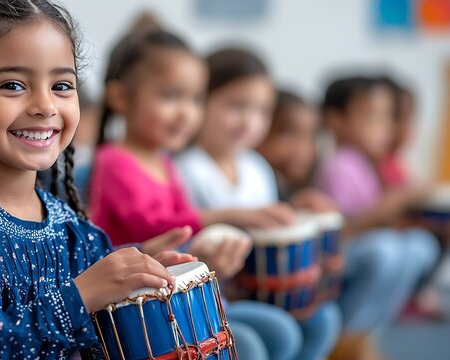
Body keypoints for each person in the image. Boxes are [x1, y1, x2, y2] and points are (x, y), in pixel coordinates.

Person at [0, 1, 196, 358]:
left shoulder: (73, 231)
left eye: (62, 85)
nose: (45, 106)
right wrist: (77, 299)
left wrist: (141, 270)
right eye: (13, 85)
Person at [176, 48, 341, 360]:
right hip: (215, 293)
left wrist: (295, 212)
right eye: (236, 106)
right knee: (274, 335)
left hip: (258, 287)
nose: (249, 121)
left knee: (323, 317)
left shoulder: (256, 166)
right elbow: (182, 233)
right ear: (201, 100)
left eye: (261, 110)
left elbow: (269, 230)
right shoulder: (186, 168)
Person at [316, 75, 439, 359]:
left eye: (386, 118)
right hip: (338, 258)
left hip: (368, 252)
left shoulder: (368, 164)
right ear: (336, 121)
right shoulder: (340, 164)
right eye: (372, 117)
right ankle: (347, 336)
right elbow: (346, 230)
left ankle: (368, 331)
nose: (384, 129)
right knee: (384, 249)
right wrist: (394, 202)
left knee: (420, 244)